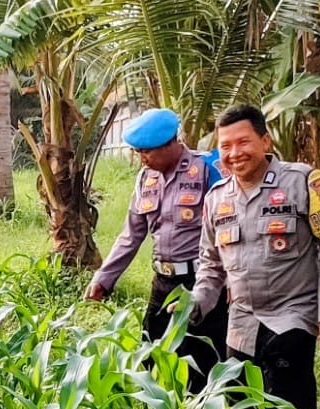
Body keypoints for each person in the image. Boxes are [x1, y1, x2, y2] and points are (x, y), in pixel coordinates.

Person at [191, 103, 320, 409]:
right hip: (242, 320)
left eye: (243, 142)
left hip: (291, 315)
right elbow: (210, 264)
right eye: (226, 146)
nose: (234, 153)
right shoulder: (216, 198)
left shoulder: (303, 182)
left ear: (265, 142)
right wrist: (196, 303)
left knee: (288, 407)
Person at [85, 108, 228, 394]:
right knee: (151, 356)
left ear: (170, 144)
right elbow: (131, 235)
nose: (142, 158)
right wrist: (103, 278)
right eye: (138, 152)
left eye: (147, 151)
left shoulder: (207, 170)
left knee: (201, 363)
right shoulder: (145, 179)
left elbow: (228, 230)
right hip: (162, 283)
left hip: (201, 282)